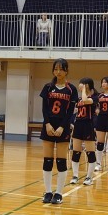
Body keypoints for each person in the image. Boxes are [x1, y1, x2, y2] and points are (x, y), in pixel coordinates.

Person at [39, 58, 78, 204]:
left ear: (66, 71)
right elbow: (44, 108)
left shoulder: (71, 89)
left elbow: (70, 112)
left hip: (63, 126)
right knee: (47, 160)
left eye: (61, 69)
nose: (58, 72)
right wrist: (47, 124)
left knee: (61, 161)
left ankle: (59, 193)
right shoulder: (48, 87)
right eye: (56, 69)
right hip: (48, 126)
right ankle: (48, 192)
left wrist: (62, 126)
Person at [70, 78, 97, 186]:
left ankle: (89, 177)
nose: (79, 86)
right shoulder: (79, 98)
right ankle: (75, 176)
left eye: (82, 84)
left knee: (90, 153)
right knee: (76, 152)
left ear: (87, 86)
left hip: (88, 125)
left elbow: (86, 100)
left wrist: (84, 90)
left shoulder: (94, 97)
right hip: (78, 125)